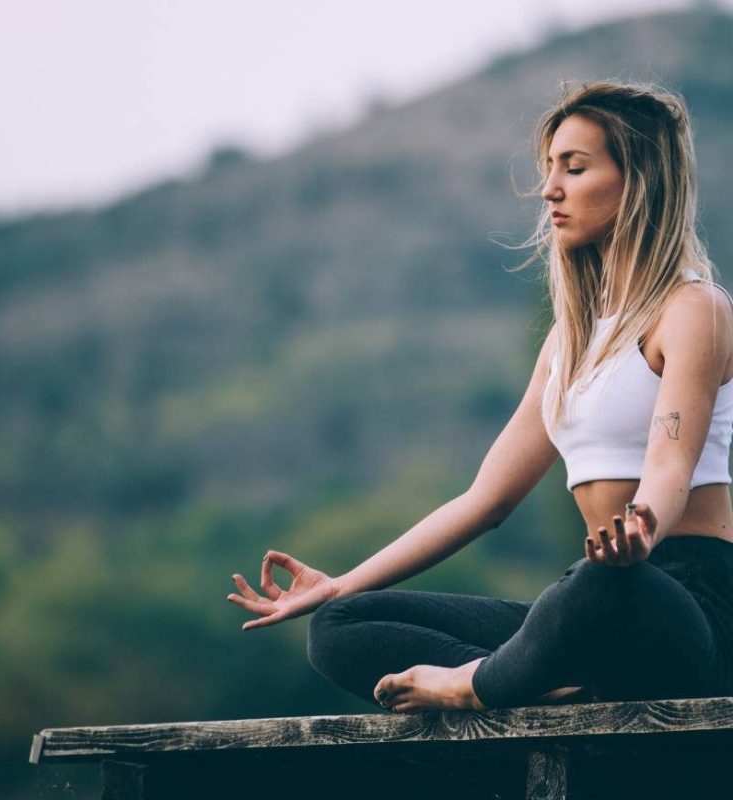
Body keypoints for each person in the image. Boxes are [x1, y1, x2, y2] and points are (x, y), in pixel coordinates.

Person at [227, 80, 733, 714]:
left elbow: (669, 464)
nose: (550, 188)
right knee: (340, 627)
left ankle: (475, 685)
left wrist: (643, 527)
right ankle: (546, 684)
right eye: (550, 168)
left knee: (597, 587)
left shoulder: (694, 310)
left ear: (638, 181)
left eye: (574, 168)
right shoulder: (570, 340)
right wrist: (338, 585)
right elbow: (484, 501)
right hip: (588, 610)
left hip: (681, 607)